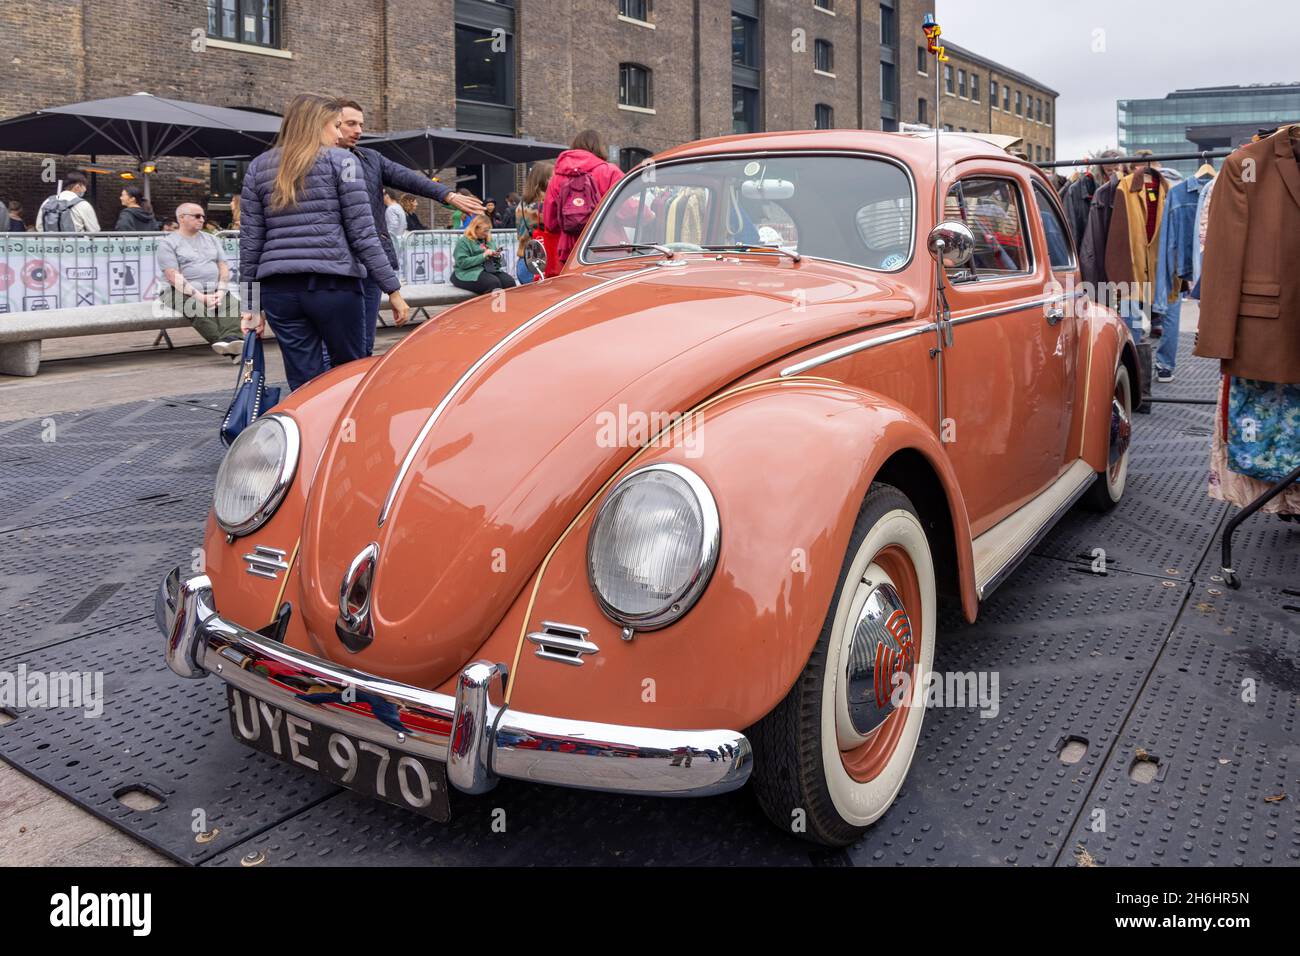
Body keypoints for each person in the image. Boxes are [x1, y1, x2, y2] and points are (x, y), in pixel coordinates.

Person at [239, 92, 409, 392]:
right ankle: (348, 435)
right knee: (349, 373)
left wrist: (250, 306)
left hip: (279, 291)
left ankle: (310, 435)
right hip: (334, 284)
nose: (338, 133)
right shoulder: (343, 161)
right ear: (319, 125)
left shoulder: (259, 166)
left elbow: (251, 242)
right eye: (336, 126)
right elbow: (362, 233)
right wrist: (392, 288)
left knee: (304, 381)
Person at [331, 98, 483, 355]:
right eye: (350, 124)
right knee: (333, 344)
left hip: (369, 262)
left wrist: (447, 195)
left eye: (361, 124)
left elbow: (408, 178)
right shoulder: (316, 162)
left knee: (363, 344)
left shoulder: (370, 158)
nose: (358, 130)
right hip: (335, 265)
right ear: (332, 124)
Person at [157, 203, 243, 356]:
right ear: (182, 218)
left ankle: (231, 340)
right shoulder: (167, 243)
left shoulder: (212, 239)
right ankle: (231, 349)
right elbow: (172, 276)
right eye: (197, 216)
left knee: (232, 305)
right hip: (176, 290)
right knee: (196, 308)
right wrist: (200, 297)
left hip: (213, 288)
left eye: (203, 216)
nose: (202, 219)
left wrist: (221, 291)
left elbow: (223, 267)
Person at [543, 129, 623, 274]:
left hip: (570, 254)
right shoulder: (609, 172)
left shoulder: (557, 177)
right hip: (608, 249)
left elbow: (550, 223)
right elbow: (631, 212)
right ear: (600, 146)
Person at [450, 214, 517, 295]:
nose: (487, 233)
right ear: (475, 228)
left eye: (488, 230)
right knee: (493, 284)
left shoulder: (488, 239)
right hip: (468, 272)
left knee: (509, 282)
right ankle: (488, 307)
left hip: (489, 270)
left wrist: (496, 256)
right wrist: (483, 256)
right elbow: (462, 263)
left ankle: (510, 306)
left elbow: (498, 264)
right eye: (485, 230)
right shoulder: (464, 241)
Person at [515, 160, 553, 284]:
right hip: (540, 263)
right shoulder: (542, 207)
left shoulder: (521, 205)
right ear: (544, 180)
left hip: (523, 260)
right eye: (552, 177)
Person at [35, 171, 100, 233]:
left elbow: (39, 226)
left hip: (49, 243)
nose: (85, 189)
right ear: (77, 187)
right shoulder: (83, 204)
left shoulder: (47, 201)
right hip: (75, 244)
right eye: (84, 186)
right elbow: (94, 230)